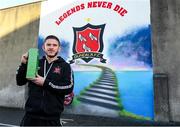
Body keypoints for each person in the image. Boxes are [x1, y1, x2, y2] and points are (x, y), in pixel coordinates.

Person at [16, 35, 74, 126]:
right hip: (31, 117)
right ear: (44, 47)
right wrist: (23, 64)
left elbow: (68, 87)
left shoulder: (65, 66)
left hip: (52, 118)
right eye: (49, 45)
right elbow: (20, 82)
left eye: (54, 45)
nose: (51, 47)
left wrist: (45, 83)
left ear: (59, 49)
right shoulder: (35, 63)